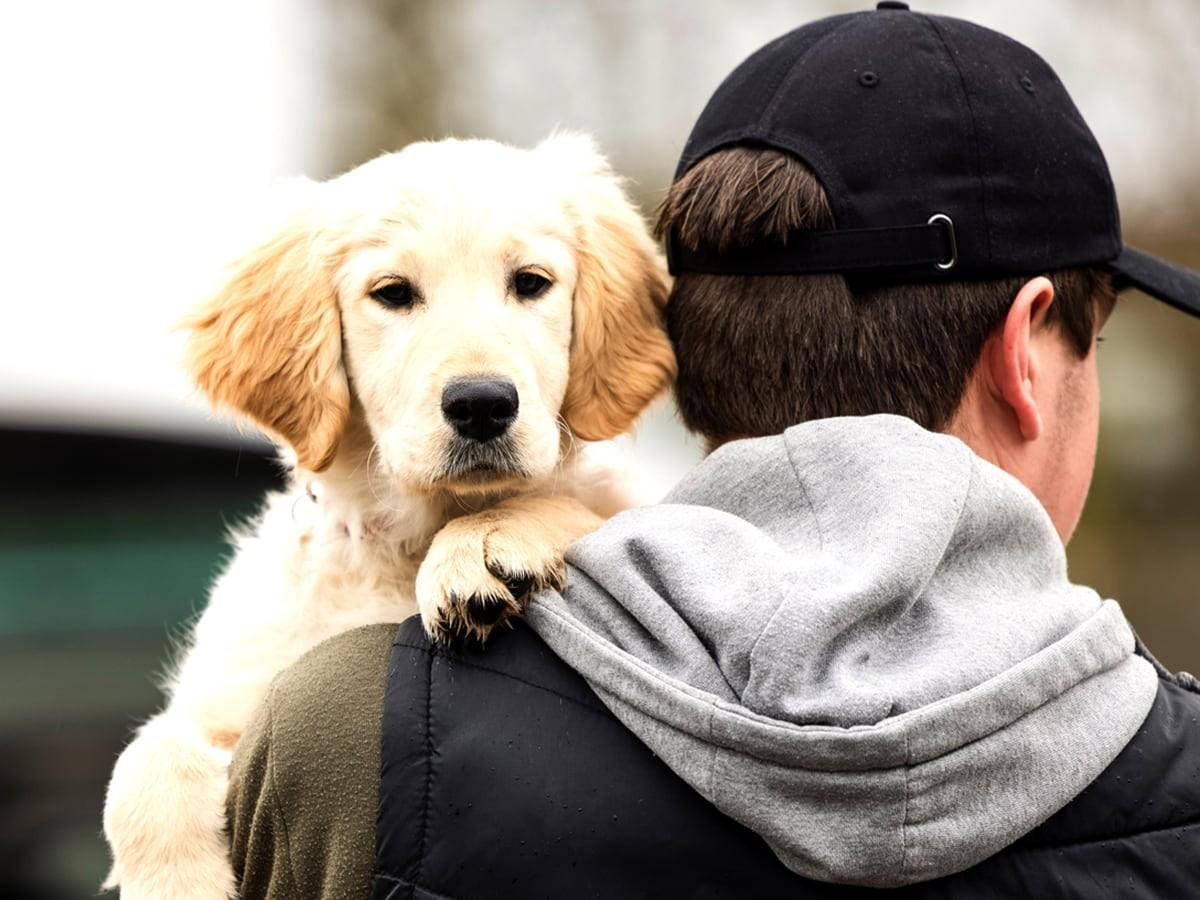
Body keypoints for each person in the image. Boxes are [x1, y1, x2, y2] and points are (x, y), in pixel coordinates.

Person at [227, 4, 1200, 897]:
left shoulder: (352, 729)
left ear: (678, 348)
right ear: (1028, 351)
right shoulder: (1181, 775)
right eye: (1095, 341)